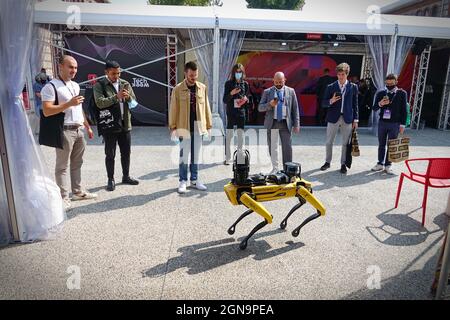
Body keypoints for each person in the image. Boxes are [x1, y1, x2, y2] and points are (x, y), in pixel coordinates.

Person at [40, 55, 97, 210]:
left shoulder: (76, 85)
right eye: (70, 67)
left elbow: (79, 108)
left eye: (76, 67)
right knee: (62, 166)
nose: (74, 70)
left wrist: (88, 126)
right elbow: (47, 111)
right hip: (64, 130)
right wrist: (69, 103)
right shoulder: (50, 87)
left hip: (79, 129)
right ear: (60, 66)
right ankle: (63, 198)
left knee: (77, 163)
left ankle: (77, 192)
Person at [93, 60, 140, 191]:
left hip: (125, 124)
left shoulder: (125, 84)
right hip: (110, 125)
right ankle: (110, 179)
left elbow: (134, 103)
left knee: (126, 153)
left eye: (118, 73)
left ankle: (126, 176)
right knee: (110, 154)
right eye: (113, 73)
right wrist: (116, 97)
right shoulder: (100, 85)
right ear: (106, 72)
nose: (116, 76)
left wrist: (129, 97)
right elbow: (99, 103)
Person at [169, 61, 212, 194]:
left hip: (198, 126)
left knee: (196, 155)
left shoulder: (202, 88)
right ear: (185, 73)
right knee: (184, 155)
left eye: (196, 75)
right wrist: (173, 127)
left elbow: (206, 107)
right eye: (191, 75)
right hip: (183, 126)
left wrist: (209, 125)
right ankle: (183, 180)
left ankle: (194, 179)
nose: (194, 77)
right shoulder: (177, 89)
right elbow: (173, 109)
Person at [320, 63, 359, 174]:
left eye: (342, 74)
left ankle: (343, 164)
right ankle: (327, 162)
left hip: (347, 117)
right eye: (339, 74)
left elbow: (355, 104)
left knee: (345, 143)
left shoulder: (353, 87)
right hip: (333, 117)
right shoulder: (330, 87)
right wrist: (331, 101)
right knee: (329, 142)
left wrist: (356, 120)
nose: (340, 76)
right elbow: (323, 103)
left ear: (347, 74)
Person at [259, 72, 300, 174]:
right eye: (276, 82)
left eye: (280, 82)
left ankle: (288, 169)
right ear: (273, 80)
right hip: (272, 123)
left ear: (285, 80)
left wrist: (297, 124)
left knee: (287, 147)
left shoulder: (291, 91)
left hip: (285, 124)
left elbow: (295, 109)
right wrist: (270, 104)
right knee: (273, 148)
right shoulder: (267, 92)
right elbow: (260, 108)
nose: (278, 84)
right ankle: (275, 168)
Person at [371, 74, 407, 175]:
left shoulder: (402, 93)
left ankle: (388, 165)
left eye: (391, 84)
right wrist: (380, 103)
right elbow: (374, 108)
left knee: (391, 145)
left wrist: (402, 125)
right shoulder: (381, 93)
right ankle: (380, 163)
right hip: (382, 122)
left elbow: (404, 110)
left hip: (395, 124)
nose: (389, 85)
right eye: (387, 84)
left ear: (396, 82)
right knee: (381, 144)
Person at [223, 63, 250, 165]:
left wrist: (245, 99)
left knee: (240, 135)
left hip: (241, 112)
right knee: (229, 134)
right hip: (231, 112)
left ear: (243, 73)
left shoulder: (246, 84)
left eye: (240, 72)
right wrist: (231, 93)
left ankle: (239, 157)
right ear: (233, 73)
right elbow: (225, 100)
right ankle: (228, 157)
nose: (238, 74)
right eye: (236, 72)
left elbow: (247, 97)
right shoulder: (228, 84)